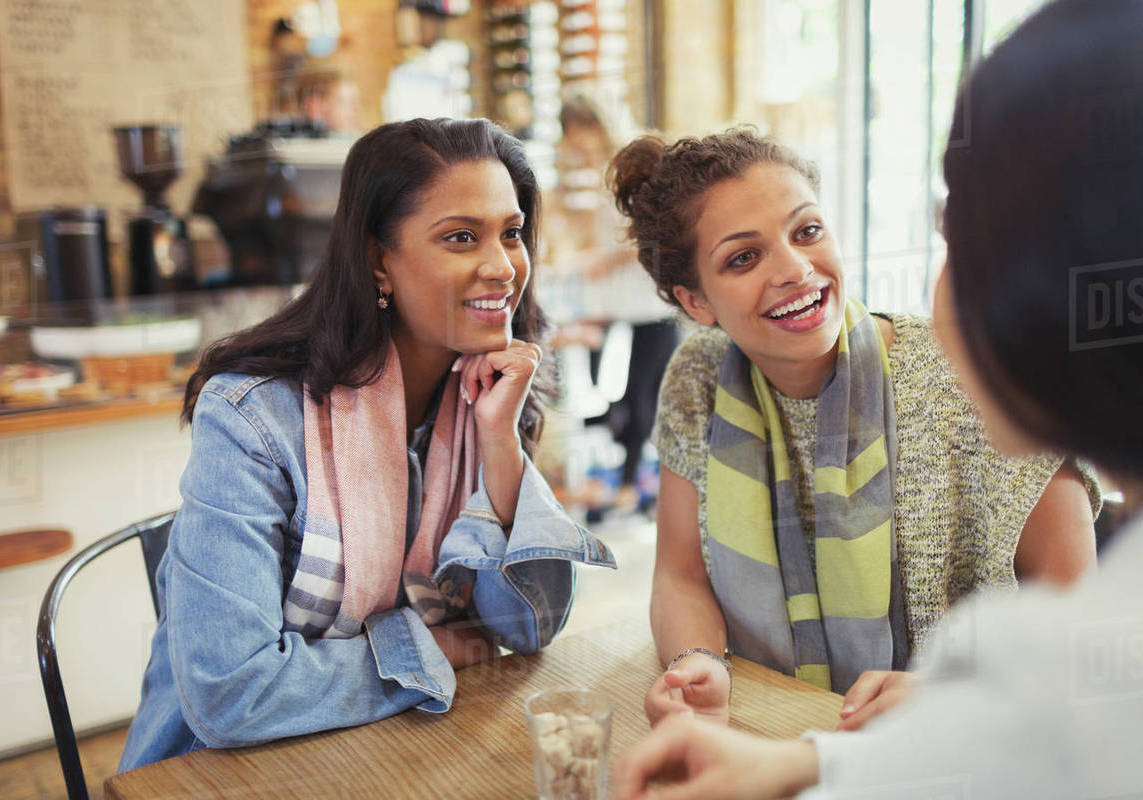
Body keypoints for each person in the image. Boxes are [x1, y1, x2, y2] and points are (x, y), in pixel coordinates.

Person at [613, 0, 1143, 796]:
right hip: (810, 726)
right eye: (745, 256)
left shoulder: (962, 383)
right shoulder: (699, 377)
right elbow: (681, 573)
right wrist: (714, 681)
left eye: (808, 229)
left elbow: (1078, 661)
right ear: (694, 302)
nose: (794, 269)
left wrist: (944, 705)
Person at [118, 118, 615, 771]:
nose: (502, 267)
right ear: (378, 258)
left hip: (396, 746)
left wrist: (500, 443)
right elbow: (231, 697)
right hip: (214, 773)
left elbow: (526, 631)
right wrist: (435, 647)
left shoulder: (486, 391)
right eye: (461, 237)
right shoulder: (252, 419)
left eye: (512, 233)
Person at [541, 92, 678, 516]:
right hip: (611, 301)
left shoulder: (635, 164)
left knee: (640, 397)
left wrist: (605, 259)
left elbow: (651, 233)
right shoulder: (590, 169)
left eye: (579, 132)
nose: (576, 142)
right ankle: (613, 476)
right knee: (604, 394)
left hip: (645, 303)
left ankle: (632, 483)